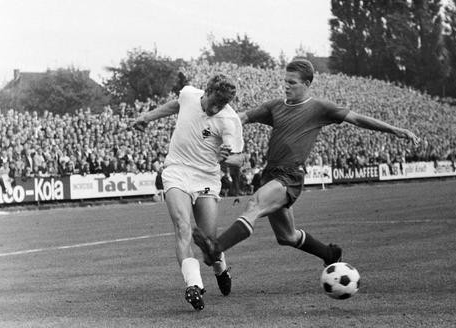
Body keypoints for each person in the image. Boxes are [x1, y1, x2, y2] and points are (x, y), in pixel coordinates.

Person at [193, 59, 420, 280]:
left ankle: (216, 247)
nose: (286, 86)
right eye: (285, 81)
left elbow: (358, 119)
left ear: (307, 83)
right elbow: (240, 118)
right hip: (270, 175)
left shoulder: (319, 108)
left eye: (292, 82)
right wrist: (207, 124)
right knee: (286, 236)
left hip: (290, 175)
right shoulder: (275, 106)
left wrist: (396, 130)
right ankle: (329, 254)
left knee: (254, 204)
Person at [133, 74, 245, 311]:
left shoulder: (228, 120)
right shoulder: (188, 95)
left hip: (206, 177)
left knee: (208, 241)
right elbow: (176, 104)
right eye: (214, 101)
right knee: (183, 227)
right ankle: (193, 285)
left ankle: (220, 267)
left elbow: (240, 157)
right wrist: (147, 116)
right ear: (206, 91)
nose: (216, 108)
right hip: (176, 171)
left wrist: (228, 159)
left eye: (222, 105)